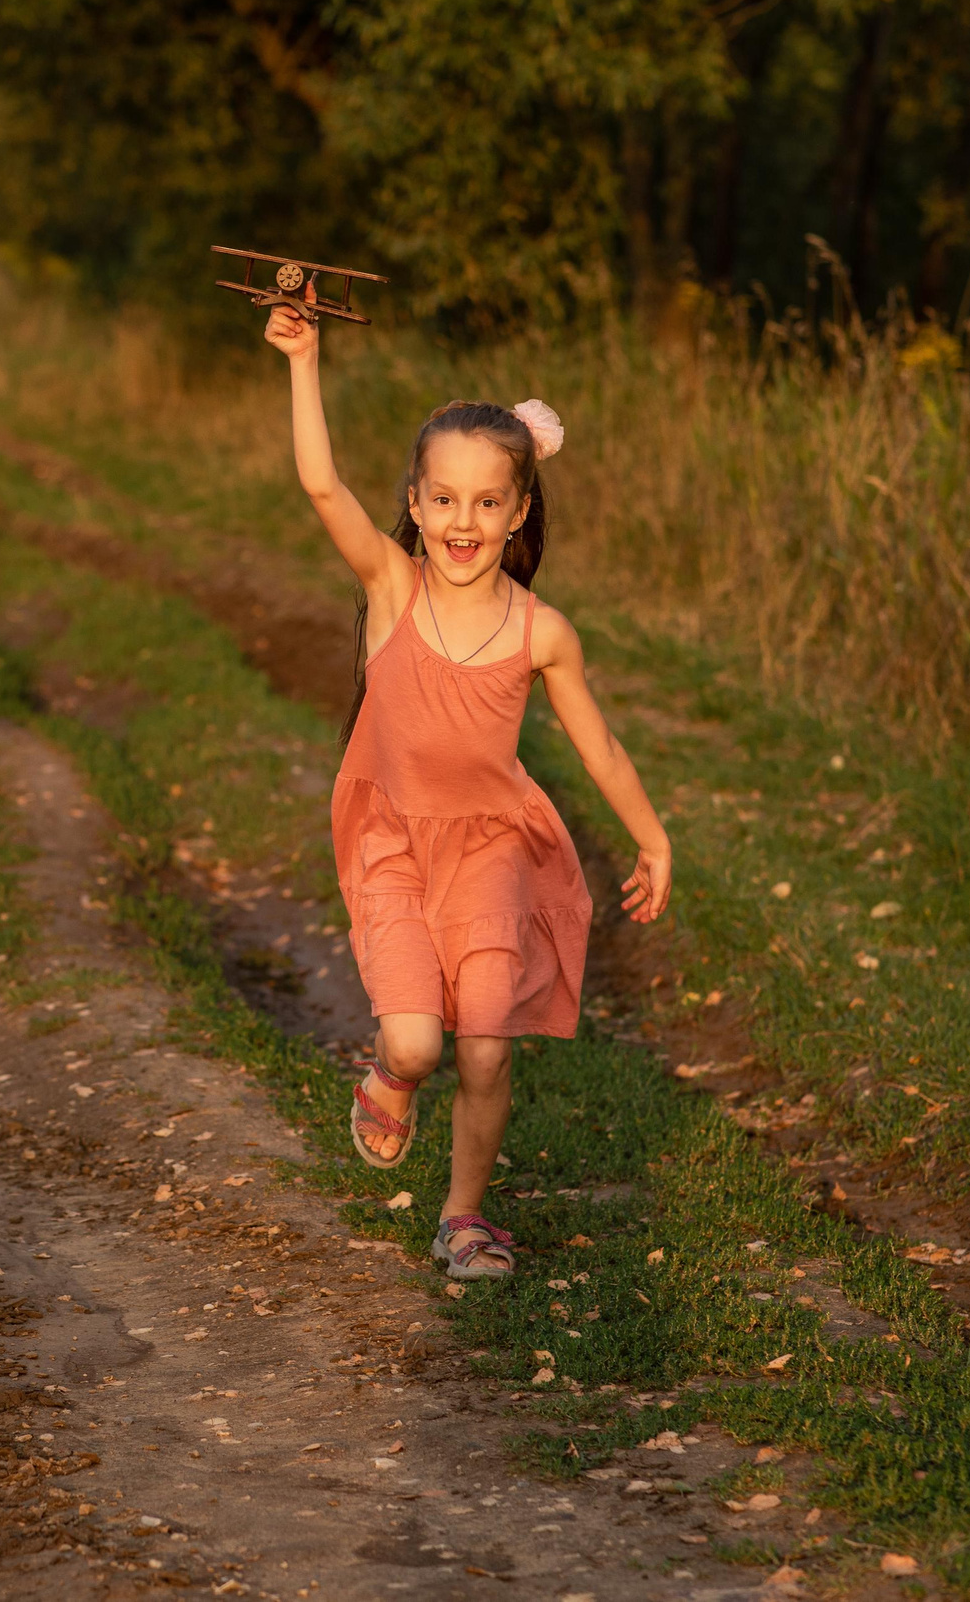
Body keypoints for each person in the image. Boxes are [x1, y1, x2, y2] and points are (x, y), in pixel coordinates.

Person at [265, 288, 673, 1282]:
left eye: (488, 502)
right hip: (395, 838)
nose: (463, 521)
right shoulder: (392, 588)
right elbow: (322, 489)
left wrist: (653, 840)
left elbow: (600, 750)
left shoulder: (541, 631)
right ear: (413, 504)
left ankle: (462, 1219)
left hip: (492, 845)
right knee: (415, 1043)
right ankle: (388, 1081)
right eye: (442, 500)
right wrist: (301, 360)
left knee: (486, 1047)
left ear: (519, 510)